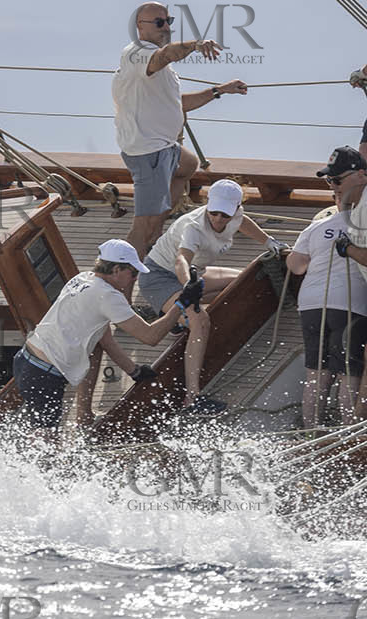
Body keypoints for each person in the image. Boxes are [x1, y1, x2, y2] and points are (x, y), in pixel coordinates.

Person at [14, 239, 196, 433]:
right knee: (46, 447)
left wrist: (134, 371)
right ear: (116, 270)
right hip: (44, 376)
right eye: (133, 273)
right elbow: (151, 337)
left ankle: (84, 418)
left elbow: (104, 338)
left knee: (95, 346)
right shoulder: (108, 296)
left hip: (25, 361)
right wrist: (181, 303)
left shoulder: (82, 278)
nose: (135, 279)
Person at [112, 2, 247, 259]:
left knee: (188, 164)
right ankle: (120, 282)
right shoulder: (137, 52)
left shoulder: (160, 68)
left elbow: (179, 104)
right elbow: (165, 56)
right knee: (142, 229)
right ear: (140, 26)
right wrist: (196, 45)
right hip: (148, 151)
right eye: (159, 22)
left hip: (164, 147)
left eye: (169, 21)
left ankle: (158, 221)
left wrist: (220, 90)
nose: (166, 27)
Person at [137, 177, 283, 414]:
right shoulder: (194, 227)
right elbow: (181, 260)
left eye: (225, 215)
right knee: (200, 321)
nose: (218, 219)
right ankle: (192, 397)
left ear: (236, 207)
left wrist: (269, 242)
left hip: (196, 272)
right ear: (207, 204)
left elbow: (242, 222)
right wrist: (189, 286)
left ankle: (173, 317)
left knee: (243, 280)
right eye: (214, 212)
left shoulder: (235, 215)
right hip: (161, 277)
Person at [287, 147, 367, 427]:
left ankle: (310, 435)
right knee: (348, 373)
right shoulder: (360, 225)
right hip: (350, 305)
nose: (333, 185)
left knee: (316, 375)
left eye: (334, 181)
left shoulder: (315, 227)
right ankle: (349, 435)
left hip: (311, 305)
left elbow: (296, 266)